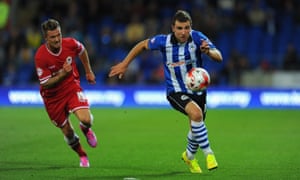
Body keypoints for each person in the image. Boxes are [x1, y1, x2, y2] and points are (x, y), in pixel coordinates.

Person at [109, 10, 222, 173]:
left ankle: (189, 156)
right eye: (179, 28)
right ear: (173, 28)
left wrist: (209, 52)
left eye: (186, 28)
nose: (183, 32)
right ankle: (209, 154)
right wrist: (125, 63)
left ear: (191, 27)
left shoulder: (197, 37)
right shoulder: (163, 41)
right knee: (196, 115)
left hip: (198, 91)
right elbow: (142, 45)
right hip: (175, 91)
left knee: (196, 126)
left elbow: (219, 56)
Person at [34, 19, 98, 168]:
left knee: (86, 119)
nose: (57, 39)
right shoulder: (40, 56)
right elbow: (45, 83)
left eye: (59, 35)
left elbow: (82, 51)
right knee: (68, 132)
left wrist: (88, 71)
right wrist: (63, 73)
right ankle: (82, 154)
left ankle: (85, 128)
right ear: (46, 39)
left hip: (71, 88)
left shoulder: (70, 44)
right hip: (52, 98)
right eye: (53, 37)